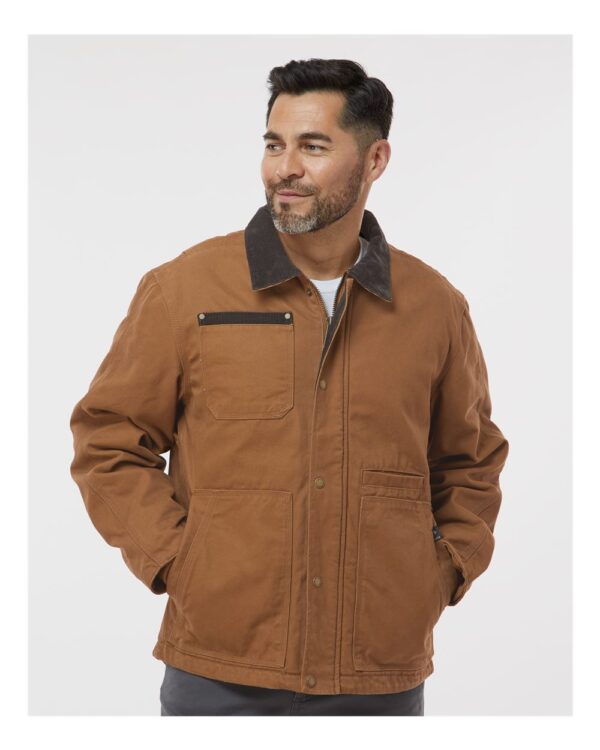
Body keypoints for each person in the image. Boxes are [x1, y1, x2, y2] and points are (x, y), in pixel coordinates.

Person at [69, 58, 509, 716]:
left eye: (313, 146)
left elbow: (470, 460)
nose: (285, 168)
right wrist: (177, 560)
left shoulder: (434, 306)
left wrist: (442, 570)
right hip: (219, 670)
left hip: (378, 675)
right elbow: (108, 440)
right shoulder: (184, 289)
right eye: (274, 145)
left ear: (375, 159)